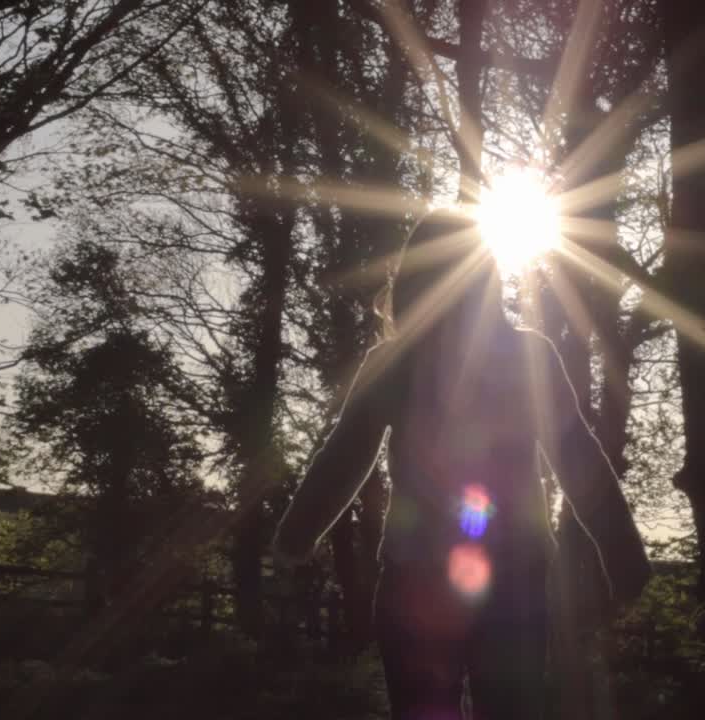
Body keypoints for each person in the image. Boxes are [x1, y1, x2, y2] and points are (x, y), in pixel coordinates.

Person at [271, 208, 651, 720]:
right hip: (509, 579)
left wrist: (296, 535)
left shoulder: (397, 360)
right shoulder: (521, 355)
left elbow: (345, 455)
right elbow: (577, 455)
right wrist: (624, 555)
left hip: (419, 575)